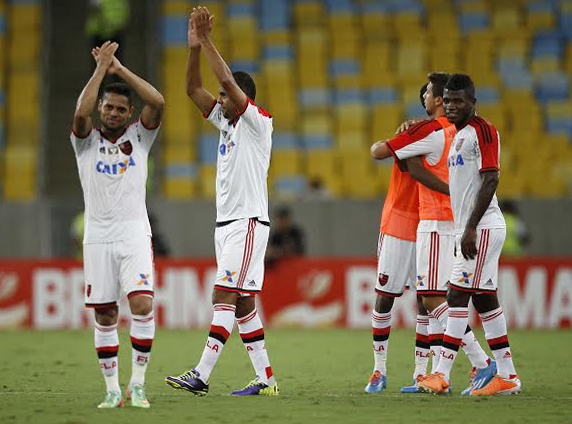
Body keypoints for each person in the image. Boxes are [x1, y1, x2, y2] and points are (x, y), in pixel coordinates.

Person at [165, 6, 278, 396]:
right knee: (243, 304)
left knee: (223, 294)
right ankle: (266, 380)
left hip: (246, 222)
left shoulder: (258, 122)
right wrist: (194, 48)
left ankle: (201, 375)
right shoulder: (226, 121)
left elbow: (225, 80)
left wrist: (209, 39)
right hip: (228, 224)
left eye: (225, 96)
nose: (218, 99)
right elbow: (192, 91)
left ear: (240, 98)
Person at [376, 73, 497, 395]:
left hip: (434, 221)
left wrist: (404, 137)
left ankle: (481, 362)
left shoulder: (431, 131)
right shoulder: (462, 132)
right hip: (455, 223)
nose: (426, 98)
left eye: (430, 93)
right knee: (448, 298)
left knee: (433, 299)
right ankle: (438, 373)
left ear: (441, 99)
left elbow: (391, 158)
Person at [71, 41, 164, 408]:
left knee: (141, 305)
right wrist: (100, 70)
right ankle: (112, 389)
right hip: (97, 238)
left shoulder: (140, 138)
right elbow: (80, 113)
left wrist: (120, 70)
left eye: (119, 109)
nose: (112, 112)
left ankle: (137, 384)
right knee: (106, 314)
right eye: (107, 106)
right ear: (101, 108)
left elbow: (157, 103)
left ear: (129, 114)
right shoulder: (85, 142)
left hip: (133, 235)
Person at [418, 74, 521, 395]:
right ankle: (507, 375)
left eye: (458, 100)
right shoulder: (459, 134)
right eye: (447, 100)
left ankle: (442, 374)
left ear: (473, 103)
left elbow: (491, 180)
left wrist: (472, 227)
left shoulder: (484, 132)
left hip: (484, 227)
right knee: (485, 299)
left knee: (456, 295)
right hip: (474, 228)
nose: (451, 106)